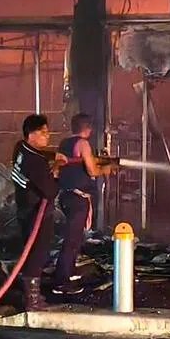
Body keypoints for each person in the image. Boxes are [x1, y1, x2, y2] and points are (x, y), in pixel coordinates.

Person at [53, 113, 115, 296]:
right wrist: (105, 169)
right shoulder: (83, 144)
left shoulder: (64, 143)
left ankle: (70, 271)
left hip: (66, 196)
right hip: (77, 198)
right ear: (88, 128)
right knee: (72, 239)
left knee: (75, 237)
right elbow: (92, 170)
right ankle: (61, 281)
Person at [11, 114, 65, 311]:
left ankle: (32, 295)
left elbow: (39, 159)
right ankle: (32, 298)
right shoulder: (35, 162)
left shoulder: (20, 149)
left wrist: (53, 156)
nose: (47, 136)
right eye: (43, 132)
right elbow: (50, 191)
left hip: (24, 210)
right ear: (31, 134)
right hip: (37, 213)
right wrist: (56, 170)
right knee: (38, 254)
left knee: (31, 252)